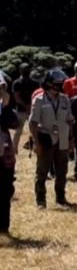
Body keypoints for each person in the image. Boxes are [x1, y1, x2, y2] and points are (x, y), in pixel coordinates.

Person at [29, 69, 76, 209]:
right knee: (42, 171)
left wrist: (71, 139)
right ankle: (41, 201)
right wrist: (37, 143)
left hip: (62, 138)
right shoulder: (39, 100)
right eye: (58, 83)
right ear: (49, 84)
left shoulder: (65, 100)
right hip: (45, 138)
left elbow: (69, 121)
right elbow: (32, 123)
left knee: (62, 171)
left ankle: (61, 199)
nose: (61, 85)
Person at [0, 74, 18, 236]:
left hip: (4, 155)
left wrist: (6, 107)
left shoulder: (5, 107)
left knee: (5, 190)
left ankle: (3, 227)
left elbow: (14, 123)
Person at [10, 64, 38, 151]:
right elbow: (17, 98)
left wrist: (32, 107)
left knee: (35, 131)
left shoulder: (35, 83)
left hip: (33, 110)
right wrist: (27, 106)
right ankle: (14, 150)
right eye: (24, 69)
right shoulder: (16, 83)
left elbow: (37, 96)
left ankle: (35, 148)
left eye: (27, 69)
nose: (26, 71)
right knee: (18, 132)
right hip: (21, 111)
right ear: (20, 70)